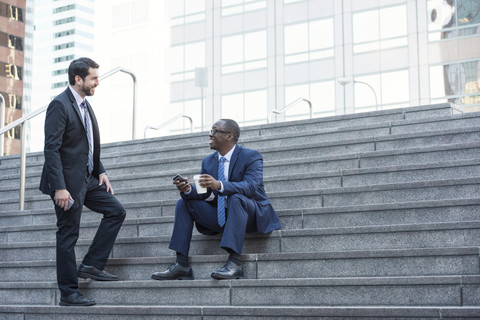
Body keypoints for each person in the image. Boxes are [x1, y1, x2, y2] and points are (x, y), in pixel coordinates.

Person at [39, 57, 126, 306]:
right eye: (93, 78)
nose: (97, 82)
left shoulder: (85, 105)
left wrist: (100, 170)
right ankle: (68, 292)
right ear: (78, 79)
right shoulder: (59, 104)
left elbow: (87, 144)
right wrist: (59, 187)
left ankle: (91, 264)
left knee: (116, 211)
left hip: (87, 178)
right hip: (66, 184)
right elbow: (51, 150)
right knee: (68, 235)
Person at [151, 119, 281, 280]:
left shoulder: (251, 156)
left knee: (236, 198)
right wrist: (188, 189)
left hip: (251, 214)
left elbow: (251, 187)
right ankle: (181, 264)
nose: (209, 134)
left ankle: (234, 263)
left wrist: (219, 185)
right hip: (223, 215)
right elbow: (203, 193)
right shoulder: (208, 161)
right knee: (184, 203)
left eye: (214, 131)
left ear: (229, 136)